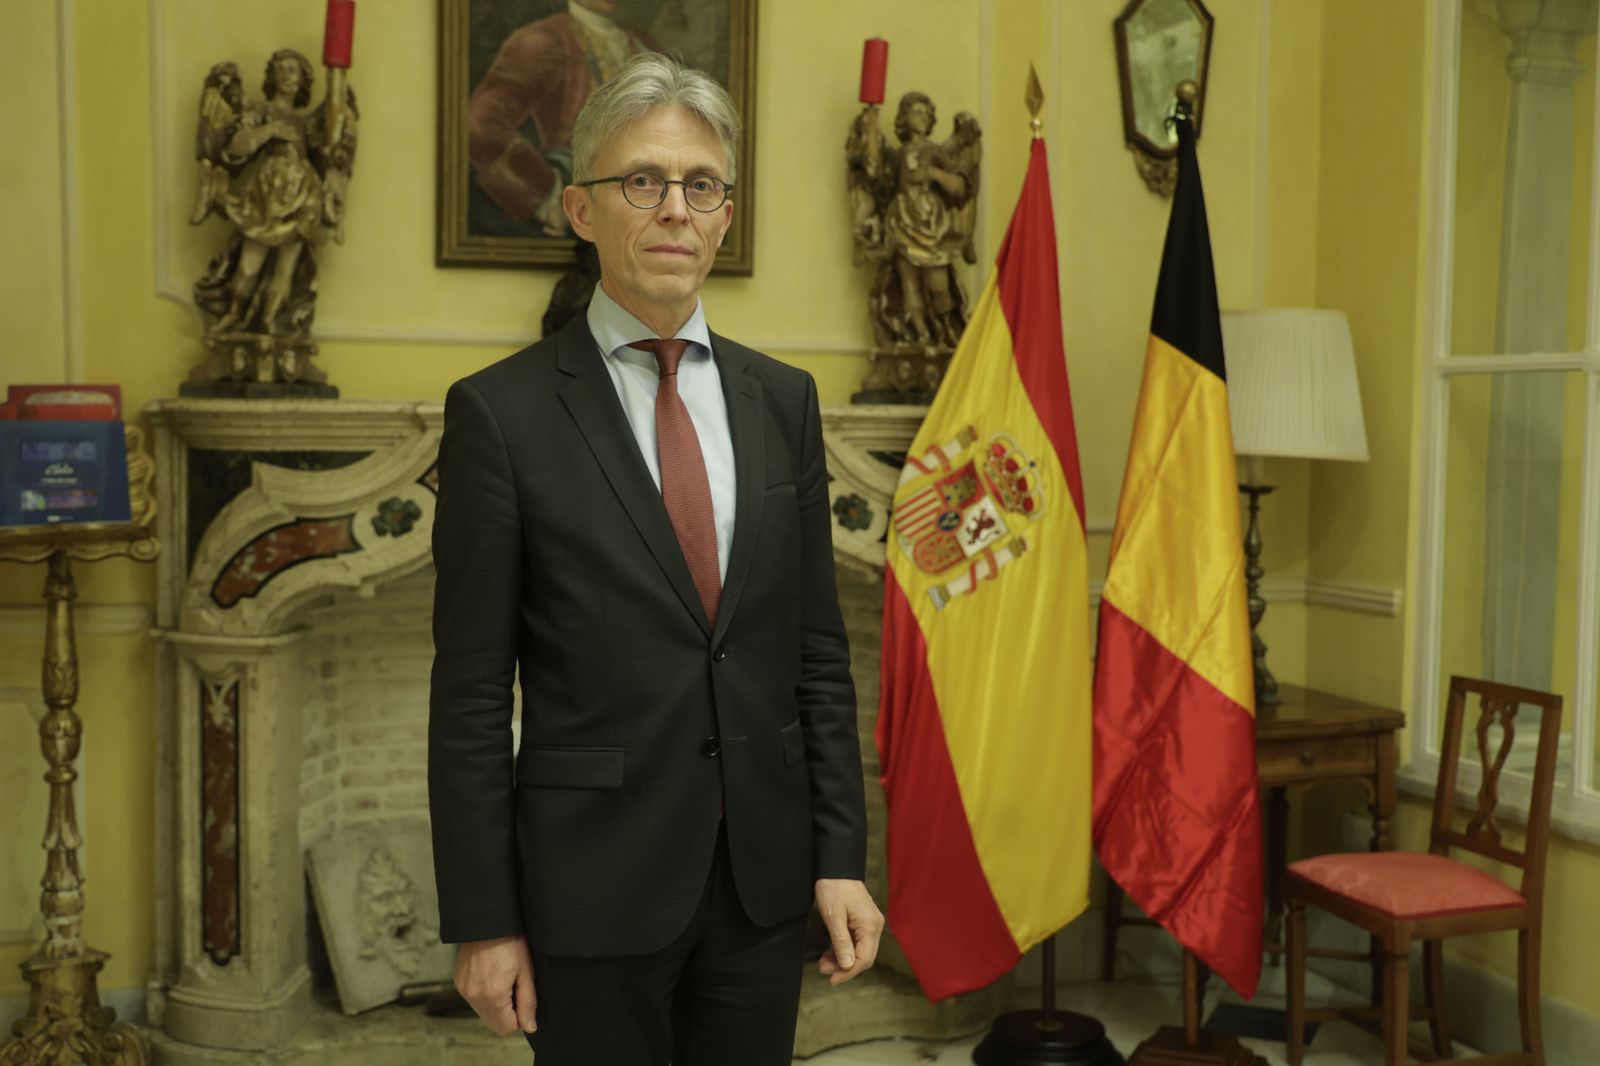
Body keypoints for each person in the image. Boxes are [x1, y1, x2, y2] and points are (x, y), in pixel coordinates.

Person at [429, 52, 883, 1065]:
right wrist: (484, 917)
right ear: (582, 211)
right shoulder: (499, 417)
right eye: (643, 181)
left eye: (701, 185)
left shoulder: (785, 404)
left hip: (760, 885)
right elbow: (467, 693)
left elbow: (816, 653)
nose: (675, 208)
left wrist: (840, 859)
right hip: (589, 888)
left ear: (725, 215)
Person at [468, 0, 659, 236]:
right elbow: (480, 126)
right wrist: (547, 194)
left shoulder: (643, 45)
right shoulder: (541, 41)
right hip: (581, 207)